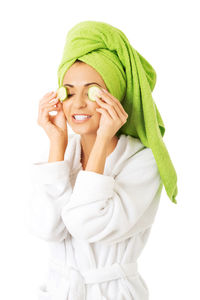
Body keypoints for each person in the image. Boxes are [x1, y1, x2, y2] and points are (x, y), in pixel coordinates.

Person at [27, 20, 178, 300]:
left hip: (112, 293)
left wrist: (102, 140)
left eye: (92, 91)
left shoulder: (143, 161)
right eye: (69, 91)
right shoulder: (64, 152)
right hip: (60, 291)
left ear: (115, 96)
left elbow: (87, 225)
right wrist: (56, 145)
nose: (78, 103)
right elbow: (45, 227)